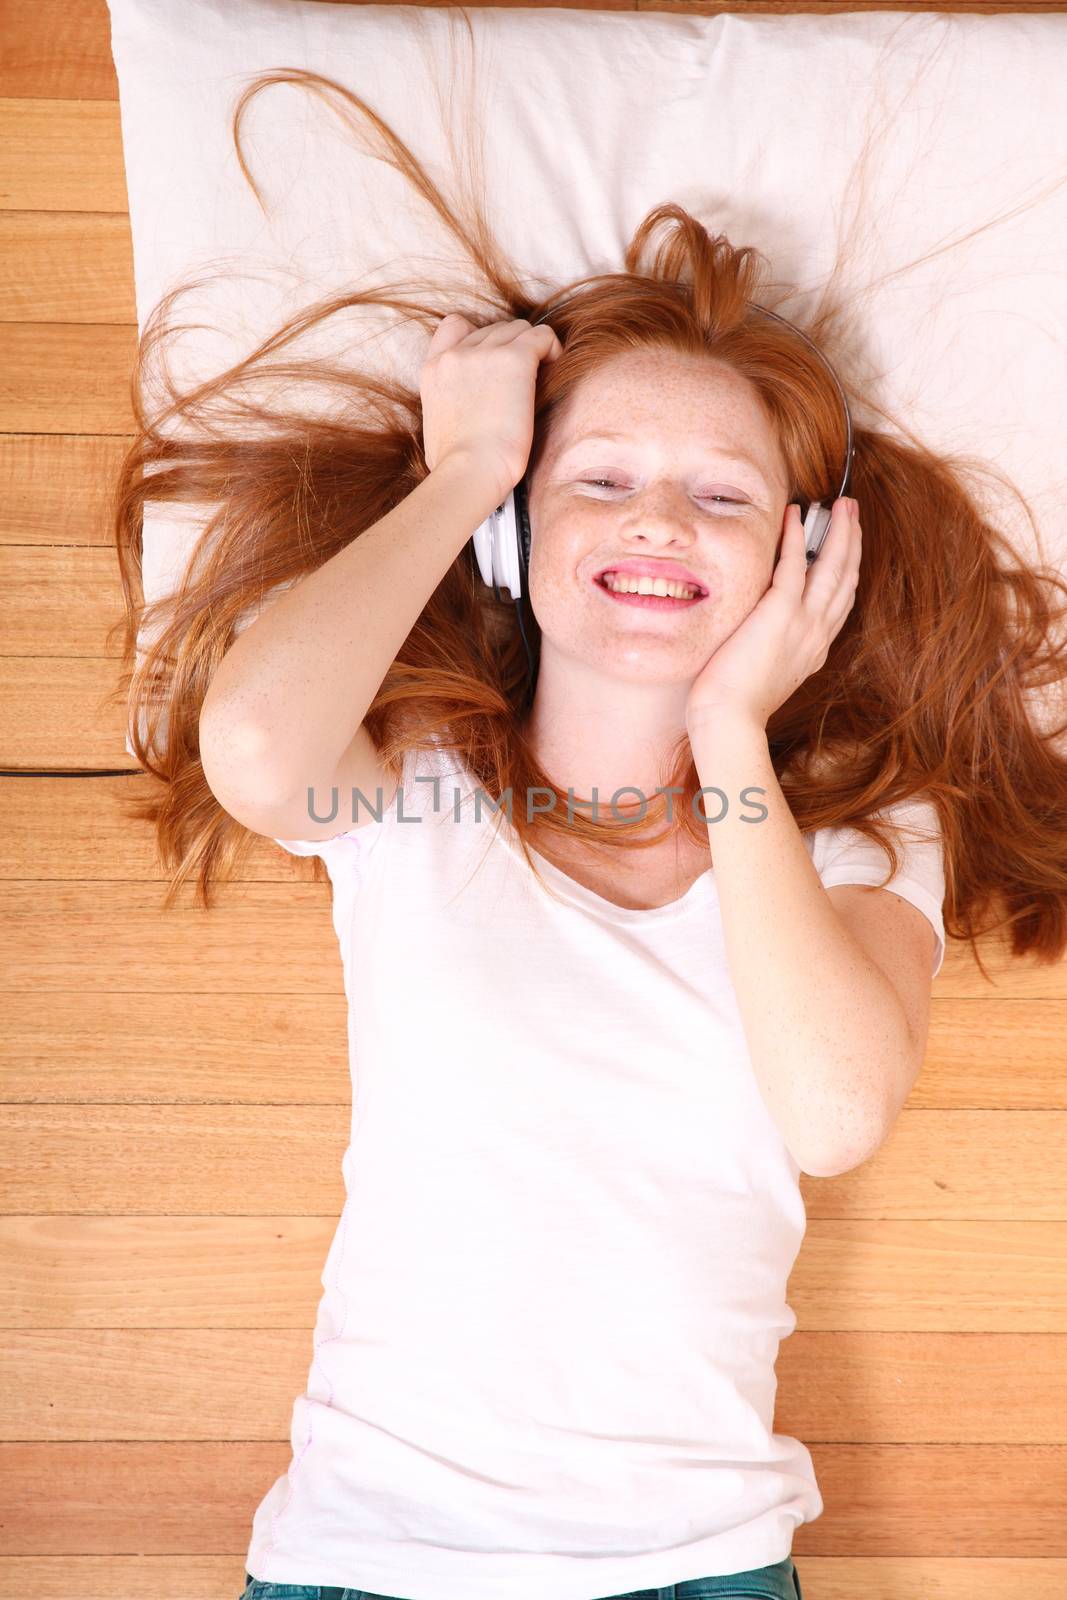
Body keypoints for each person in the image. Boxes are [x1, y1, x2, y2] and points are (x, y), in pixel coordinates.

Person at [110, 64, 1067, 1600]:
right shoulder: (415, 791)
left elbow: (831, 1113)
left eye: (724, 498)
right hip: (369, 1560)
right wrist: (465, 467)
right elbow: (250, 745)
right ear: (519, 533)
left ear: (802, 561)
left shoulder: (852, 841)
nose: (659, 524)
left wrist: (730, 729)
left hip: (697, 1566)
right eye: (600, 481)